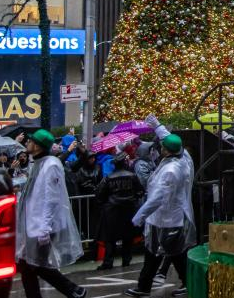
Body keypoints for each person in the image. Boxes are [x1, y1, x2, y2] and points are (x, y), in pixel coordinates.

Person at [125, 116, 195, 298]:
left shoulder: (171, 171)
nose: (160, 147)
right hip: (167, 218)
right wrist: (157, 126)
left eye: (163, 146)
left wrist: (140, 215)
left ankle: (188, 284)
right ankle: (145, 287)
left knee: (173, 255)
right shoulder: (183, 157)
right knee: (157, 254)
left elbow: (158, 198)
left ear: (166, 151)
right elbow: (168, 138)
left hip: (167, 219)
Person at [15, 128, 86, 298]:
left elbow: (51, 199)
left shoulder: (51, 164)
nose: (27, 143)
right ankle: (74, 291)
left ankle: (74, 290)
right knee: (28, 264)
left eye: (31, 141)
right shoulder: (37, 163)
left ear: (38, 147)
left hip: (43, 226)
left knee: (35, 265)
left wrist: (45, 228)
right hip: (33, 224)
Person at [95, 154, 144, 270]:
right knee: (128, 237)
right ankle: (126, 260)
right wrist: (133, 198)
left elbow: (99, 194)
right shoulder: (132, 176)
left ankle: (108, 262)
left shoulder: (109, 178)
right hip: (129, 209)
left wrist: (105, 202)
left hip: (112, 211)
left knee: (110, 238)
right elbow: (141, 191)